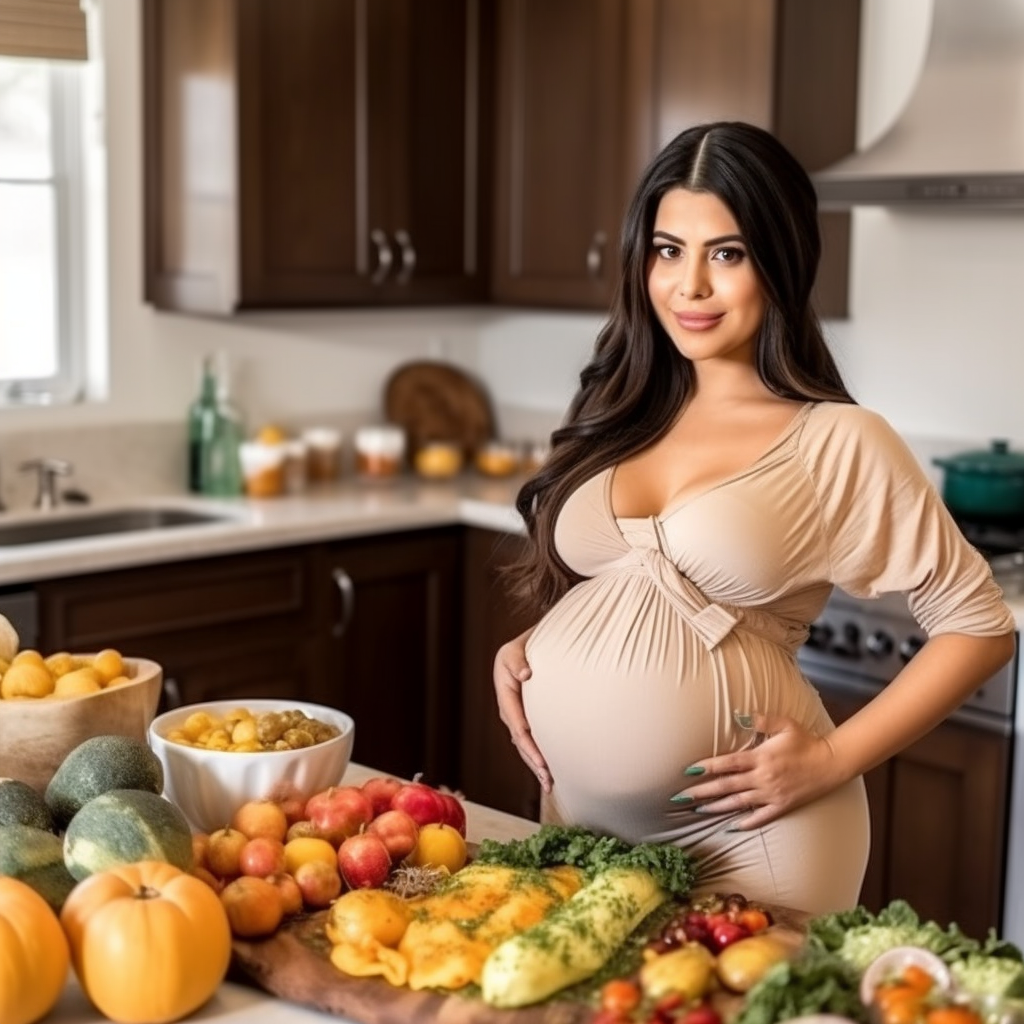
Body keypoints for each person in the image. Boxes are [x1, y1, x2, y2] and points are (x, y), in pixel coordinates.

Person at [492, 121, 1016, 916]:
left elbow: (980, 627)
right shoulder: (617, 411)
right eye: (668, 250)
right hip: (582, 822)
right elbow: (628, 585)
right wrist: (535, 646)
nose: (689, 285)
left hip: (753, 840)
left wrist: (833, 758)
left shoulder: (838, 439)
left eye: (726, 254)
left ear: (781, 261)